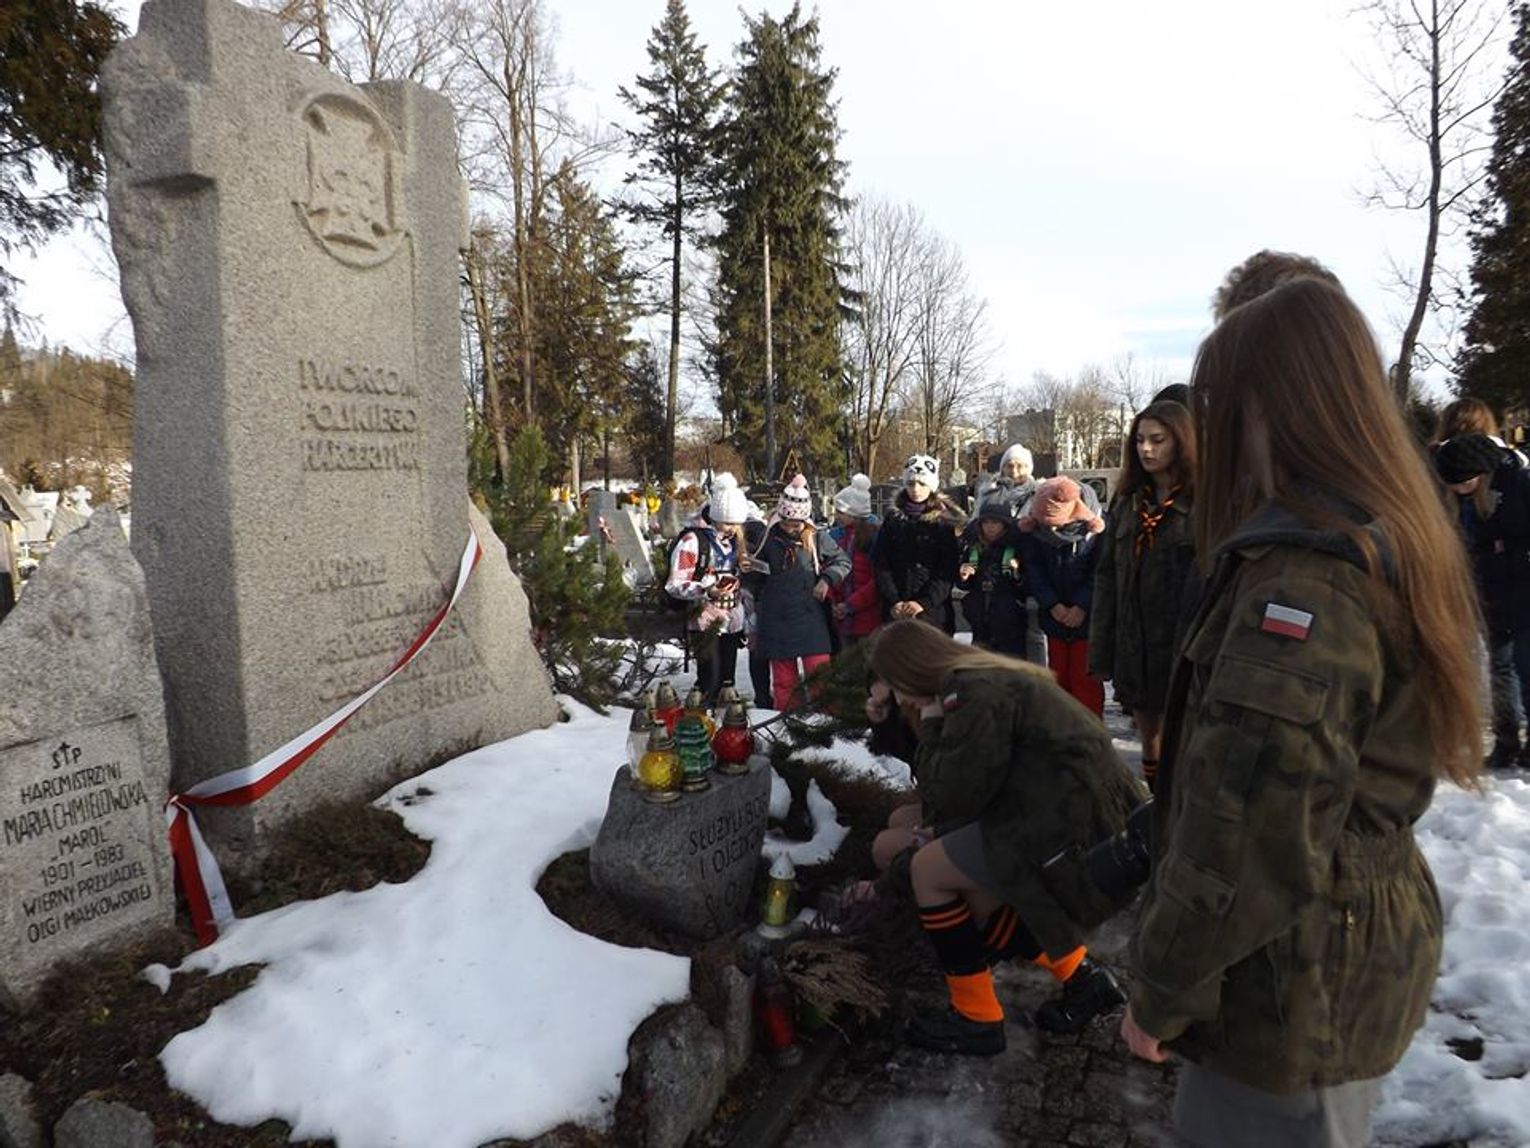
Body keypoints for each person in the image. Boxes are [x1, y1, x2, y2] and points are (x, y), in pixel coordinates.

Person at [1121, 277, 1485, 1148]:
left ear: (1271, 408)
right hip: (1328, 950)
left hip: (1291, 978)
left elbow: (1252, 825)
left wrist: (1160, 990)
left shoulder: (1307, 580)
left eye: (1222, 406)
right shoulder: (1371, 530)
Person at [866, 620, 1142, 1054]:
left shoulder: (970, 692)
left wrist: (932, 720)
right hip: (1063, 813)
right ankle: (1083, 978)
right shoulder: (973, 678)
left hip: (1073, 830)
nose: (900, 700)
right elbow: (957, 791)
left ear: (910, 670)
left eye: (895, 687)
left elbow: (953, 795)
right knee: (926, 844)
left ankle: (976, 1018)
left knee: (929, 871)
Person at [1089, 400, 1198, 791]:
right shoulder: (1128, 502)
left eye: (1157, 440)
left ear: (1180, 441)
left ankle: (1179, 805)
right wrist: (1101, 651)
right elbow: (1106, 578)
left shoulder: (1202, 504)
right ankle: (1157, 803)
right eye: (1139, 440)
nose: (1146, 449)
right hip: (1136, 646)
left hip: (1183, 645)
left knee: (1184, 737)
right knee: (1148, 735)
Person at [1435, 433, 1530, 770]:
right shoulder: (1459, 500)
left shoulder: (1516, 484)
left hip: (1522, 587)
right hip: (1489, 589)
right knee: (1500, 666)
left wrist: (1507, 550)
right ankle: (1506, 740)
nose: (1460, 490)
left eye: (1464, 483)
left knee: (1525, 664)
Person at [743, 474, 850, 712]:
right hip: (777, 619)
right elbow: (754, 580)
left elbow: (842, 561)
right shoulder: (767, 539)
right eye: (787, 523)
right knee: (784, 682)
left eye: (797, 524)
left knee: (819, 675)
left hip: (811, 617)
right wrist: (747, 570)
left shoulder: (817, 538)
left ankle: (825, 720)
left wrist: (827, 580)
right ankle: (787, 719)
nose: (791, 528)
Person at [1018, 476, 1107, 717]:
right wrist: (1052, 604)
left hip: (1087, 617)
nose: (1053, 530)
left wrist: (1081, 606)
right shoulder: (1037, 532)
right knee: (1059, 677)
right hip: (1054, 615)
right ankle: (1061, 726)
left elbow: (1101, 572)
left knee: (1085, 678)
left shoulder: (1096, 534)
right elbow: (1034, 570)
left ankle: (1088, 729)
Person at [664, 473, 751, 704]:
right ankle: (702, 715)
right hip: (703, 618)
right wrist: (706, 590)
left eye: (736, 524)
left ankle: (727, 720)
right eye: (728, 523)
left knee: (727, 682)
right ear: (715, 517)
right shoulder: (693, 541)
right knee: (709, 678)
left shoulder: (734, 543)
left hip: (731, 619)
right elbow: (675, 584)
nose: (732, 529)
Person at [872, 454, 966, 632]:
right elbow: (881, 562)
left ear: (931, 486)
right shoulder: (893, 520)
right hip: (896, 611)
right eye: (911, 483)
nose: (915, 489)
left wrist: (924, 603)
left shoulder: (943, 522)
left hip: (933, 614)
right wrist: (894, 600)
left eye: (922, 484)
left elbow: (947, 569)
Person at [955, 486, 1029, 656]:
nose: (990, 527)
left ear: (1005, 524)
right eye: (986, 523)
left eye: (995, 523)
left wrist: (1017, 573)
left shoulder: (1016, 547)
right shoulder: (974, 548)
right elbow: (964, 585)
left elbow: (1026, 586)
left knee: (1009, 660)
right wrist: (963, 577)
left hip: (1009, 619)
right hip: (979, 616)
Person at [828, 474, 883, 647]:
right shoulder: (838, 537)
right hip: (843, 617)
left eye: (841, 512)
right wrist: (834, 602)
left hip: (867, 616)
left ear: (854, 513)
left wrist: (851, 604)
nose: (836, 515)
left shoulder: (873, 537)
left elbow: (877, 579)